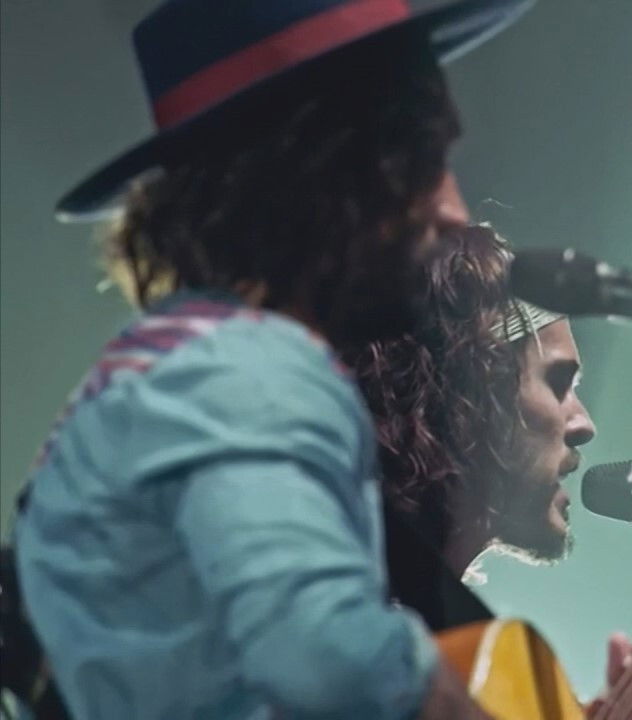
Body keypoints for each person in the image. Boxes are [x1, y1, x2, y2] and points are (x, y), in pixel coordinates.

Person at [12, 1, 533, 718]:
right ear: (333, 173)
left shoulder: (157, 376)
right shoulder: (247, 372)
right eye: (427, 162)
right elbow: (331, 661)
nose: (453, 211)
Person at [347, 225, 632, 717]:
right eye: (558, 383)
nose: (583, 425)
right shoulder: (348, 638)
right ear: (461, 398)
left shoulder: (488, 669)